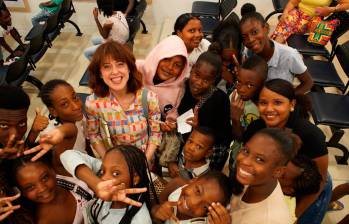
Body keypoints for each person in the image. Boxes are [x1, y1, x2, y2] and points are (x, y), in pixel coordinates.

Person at [243, 79, 330, 224]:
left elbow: (320, 179)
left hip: (310, 184)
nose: (269, 109)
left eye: (277, 102)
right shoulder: (256, 128)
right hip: (281, 184)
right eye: (263, 103)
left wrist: (296, 214)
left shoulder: (310, 135)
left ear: (292, 105)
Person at [86, 41, 162, 160]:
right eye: (107, 67)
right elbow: (94, 135)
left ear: (129, 68)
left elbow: (155, 133)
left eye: (120, 64)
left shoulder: (149, 98)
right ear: (100, 74)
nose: (115, 72)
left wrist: (145, 161)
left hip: (146, 160)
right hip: (115, 163)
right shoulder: (93, 103)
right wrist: (109, 161)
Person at [220, 128, 297, 224]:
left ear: (278, 171)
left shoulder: (272, 220)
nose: (245, 161)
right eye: (246, 151)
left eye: (259, 159)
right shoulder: (252, 181)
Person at [60, 145, 153, 224]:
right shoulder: (105, 182)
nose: (104, 178)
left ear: (135, 178)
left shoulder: (139, 220)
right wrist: (96, 184)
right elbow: (66, 155)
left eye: (116, 173)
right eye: (102, 171)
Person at [177, 51, 232, 171]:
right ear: (191, 71)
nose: (198, 83)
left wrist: (197, 128)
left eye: (206, 80)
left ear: (214, 81)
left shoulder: (220, 100)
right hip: (185, 148)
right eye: (196, 75)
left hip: (208, 156)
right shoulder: (182, 89)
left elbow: (224, 135)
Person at [239, 11, 313, 95]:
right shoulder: (248, 54)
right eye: (244, 37)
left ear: (266, 28)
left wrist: (286, 99)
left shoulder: (289, 55)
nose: (250, 40)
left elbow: (308, 83)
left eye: (254, 32)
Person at [10, 153, 87, 224]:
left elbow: (70, 138)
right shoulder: (44, 221)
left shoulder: (62, 168)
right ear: (22, 192)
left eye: (44, 178)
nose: (42, 188)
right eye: (30, 187)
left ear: (52, 171)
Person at [136, 35, 188, 120]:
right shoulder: (136, 68)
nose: (170, 67)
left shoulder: (178, 91)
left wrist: (170, 123)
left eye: (177, 65)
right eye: (166, 59)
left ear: (182, 70)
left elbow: (171, 116)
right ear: (157, 56)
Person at [151, 171, 232, 224]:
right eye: (198, 191)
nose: (193, 203)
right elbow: (157, 204)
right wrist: (157, 211)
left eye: (205, 207)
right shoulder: (176, 184)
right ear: (193, 180)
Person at [271, 0, 349, 43]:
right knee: (286, 22)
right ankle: (275, 50)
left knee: (289, 26)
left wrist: (331, 9)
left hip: (314, 18)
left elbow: (347, 3)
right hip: (298, 13)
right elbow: (292, 2)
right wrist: (285, 12)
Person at [173, 13, 211, 77]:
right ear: (179, 33)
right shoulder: (171, 52)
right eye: (192, 31)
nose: (198, 35)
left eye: (200, 30)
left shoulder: (203, 45)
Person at [209, 24, 242, 93]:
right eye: (224, 60)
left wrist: (237, 79)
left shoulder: (239, 65)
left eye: (230, 60)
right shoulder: (210, 64)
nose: (227, 64)